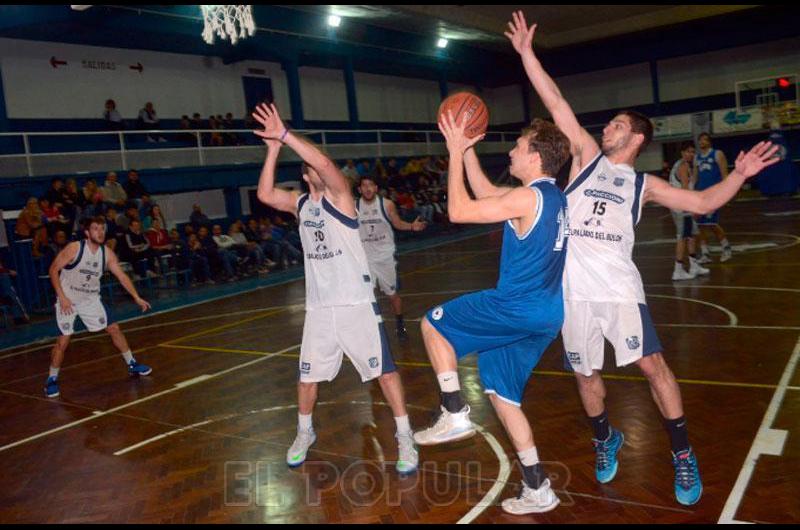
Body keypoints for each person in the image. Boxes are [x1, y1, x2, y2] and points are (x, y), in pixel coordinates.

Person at [505, 10, 780, 506]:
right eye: (608, 122)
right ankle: (605, 438)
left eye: (616, 124)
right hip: (571, 293)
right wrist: (527, 54)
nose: (605, 127)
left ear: (635, 138)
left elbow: (702, 203)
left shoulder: (643, 185)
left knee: (653, 365)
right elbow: (556, 101)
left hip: (618, 289)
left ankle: (682, 452)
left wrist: (739, 174)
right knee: (585, 376)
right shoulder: (585, 157)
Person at [412, 114, 571, 515]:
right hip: (547, 315)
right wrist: (466, 149)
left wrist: (450, 152)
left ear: (535, 157)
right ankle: (538, 487)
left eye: (518, 145)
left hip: (515, 308)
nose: (511, 150)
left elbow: (459, 211)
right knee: (503, 396)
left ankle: (452, 410)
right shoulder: (551, 196)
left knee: (432, 324)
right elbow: (484, 191)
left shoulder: (526, 199)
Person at [252, 102, 418, 474]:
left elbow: (326, 164)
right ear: (304, 175)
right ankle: (304, 432)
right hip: (320, 308)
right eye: (311, 165)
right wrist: (274, 149)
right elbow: (264, 194)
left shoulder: (341, 198)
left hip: (356, 303)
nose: (321, 166)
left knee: (385, 372)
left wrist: (285, 134)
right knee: (306, 377)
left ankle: (405, 435)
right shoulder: (300, 205)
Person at [45, 216, 152, 398]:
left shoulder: (107, 253)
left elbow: (122, 276)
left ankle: (132, 363)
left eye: (102, 229)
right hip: (68, 299)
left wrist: (136, 296)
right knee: (63, 341)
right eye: (95, 228)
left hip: (90, 299)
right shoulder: (74, 248)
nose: (100, 232)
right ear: (87, 232)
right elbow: (53, 270)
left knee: (114, 328)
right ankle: (51, 380)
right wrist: (62, 297)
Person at [356, 175, 426, 341]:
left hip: (385, 256)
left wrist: (411, 226)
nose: (367, 188)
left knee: (392, 294)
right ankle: (370, 329)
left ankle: (400, 324)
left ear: (376, 188)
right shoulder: (353, 206)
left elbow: (397, 223)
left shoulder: (386, 204)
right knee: (365, 295)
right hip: (364, 258)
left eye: (371, 185)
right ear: (359, 189)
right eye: (364, 186)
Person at [668, 141, 709, 281]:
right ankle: (677, 270)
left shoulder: (681, 165)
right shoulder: (683, 166)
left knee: (691, 234)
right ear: (682, 152)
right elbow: (685, 190)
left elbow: (692, 183)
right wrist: (693, 208)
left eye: (693, 152)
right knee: (683, 237)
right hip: (682, 207)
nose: (691, 154)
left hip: (680, 205)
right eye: (688, 151)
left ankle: (693, 265)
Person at [694, 133, 733, 263]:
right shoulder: (696, 158)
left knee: (712, 224)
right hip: (701, 195)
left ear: (709, 142)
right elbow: (695, 178)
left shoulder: (717, 154)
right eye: (700, 140)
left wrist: (727, 193)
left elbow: (725, 175)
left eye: (704, 140)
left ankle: (726, 248)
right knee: (700, 226)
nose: (701, 142)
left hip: (714, 195)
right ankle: (705, 253)